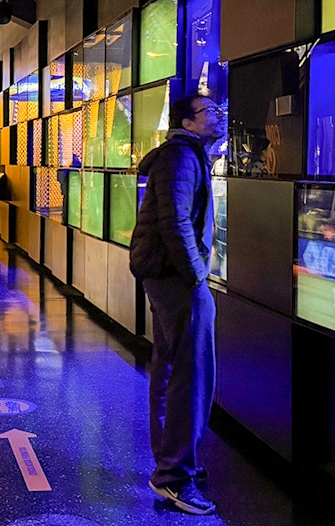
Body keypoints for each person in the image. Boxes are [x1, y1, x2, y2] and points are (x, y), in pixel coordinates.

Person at [129, 94, 226, 516]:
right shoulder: (181, 157)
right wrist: (196, 275)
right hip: (176, 277)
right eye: (210, 111)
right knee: (193, 374)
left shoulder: (187, 155)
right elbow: (175, 220)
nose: (219, 116)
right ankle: (174, 476)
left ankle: (171, 463)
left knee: (170, 369)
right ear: (187, 121)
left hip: (167, 275)